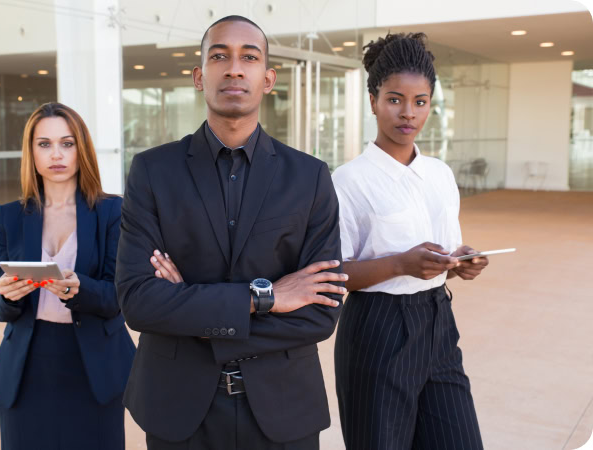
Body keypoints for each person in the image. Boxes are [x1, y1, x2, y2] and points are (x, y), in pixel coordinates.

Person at [116, 15, 346, 450]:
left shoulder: (310, 176)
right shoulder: (152, 171)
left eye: (249, 57)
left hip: (283, 410)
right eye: (219, 56)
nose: (234, 68)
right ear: (200, 77)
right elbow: (139, 302)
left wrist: (191, 310)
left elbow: (321, 310)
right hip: (177, 408)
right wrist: (268, 298)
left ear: (268, 78)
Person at [332, 32, 487, 450]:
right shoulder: (347, 182)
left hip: (438, 322)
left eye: (420, 102)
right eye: (395, 99)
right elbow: (332, 274)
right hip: (377, 330)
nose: (408, 113)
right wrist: (400, 264)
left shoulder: (439, 174)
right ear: (373, 101)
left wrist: (464, 260)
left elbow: (446, 248)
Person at [0, 102, 135, 450]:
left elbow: (120, 297)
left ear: (81, 149)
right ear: (31, 152)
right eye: (44, 144)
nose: (56, 154)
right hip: (28, 366)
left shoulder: (113, 211)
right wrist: (7, 294)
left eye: (67, 143)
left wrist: (80, 290)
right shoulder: (9, 217)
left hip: (95, 365)